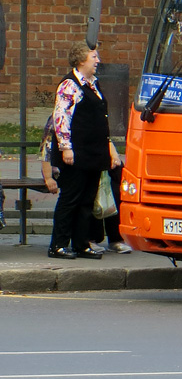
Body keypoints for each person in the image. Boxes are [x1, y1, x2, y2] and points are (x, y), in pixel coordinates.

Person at [47, 42, 121, 260]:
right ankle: (58, 244)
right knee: (70, 199)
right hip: (75, 154)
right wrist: (66, 148)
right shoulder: (69, 85)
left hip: (93, 154)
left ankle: (81, 244)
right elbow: (61, 119)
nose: (98, 61)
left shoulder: (92, 84)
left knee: (87, 201)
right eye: (94, 57)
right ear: (81, 61)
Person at [41, 115, 130, 253]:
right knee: (87, 195)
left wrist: (114, 156)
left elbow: (104, 138)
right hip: (68, 166)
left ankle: (116, 238)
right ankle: (88, 238)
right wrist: (48, 178)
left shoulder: (91, 112)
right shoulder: (60, 116)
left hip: (92, 161)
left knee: (114, 191)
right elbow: (47, 150)